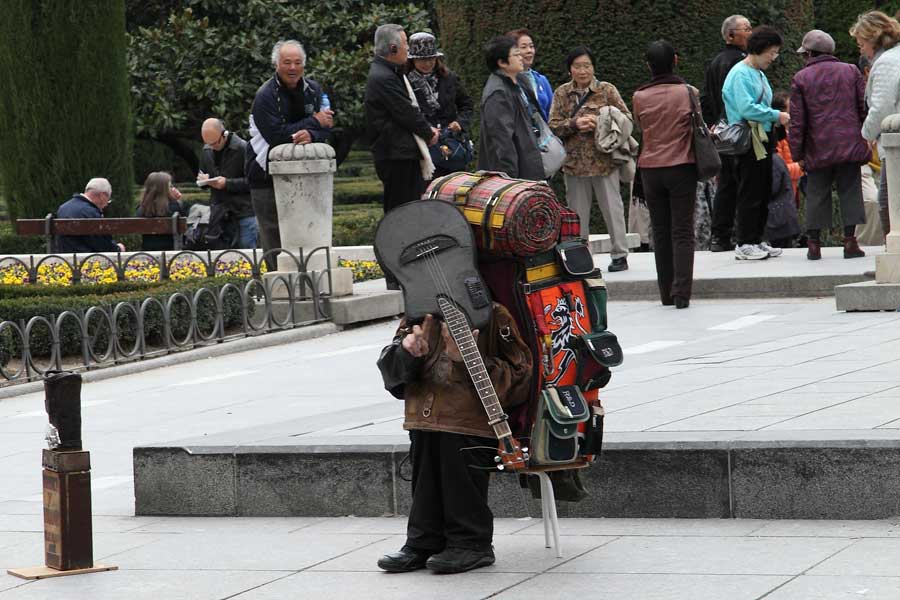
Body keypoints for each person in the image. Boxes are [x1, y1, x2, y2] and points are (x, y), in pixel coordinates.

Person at [375, 307, 532, 574]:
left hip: (474, 424)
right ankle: (423, 542)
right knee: (425, 478)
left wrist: (466, 359)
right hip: (423, 418)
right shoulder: (418, 315)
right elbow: (393, 378)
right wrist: (407, 353)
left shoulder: (493, 314)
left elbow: (521, 380)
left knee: (458, 468)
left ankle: (471, 543)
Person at [246, 39, 333, 269]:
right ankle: (278, 283)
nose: (293, 68)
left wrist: (311, 134)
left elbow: (327, 127)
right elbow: (276, 135)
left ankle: (309, 279)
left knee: (307, 231)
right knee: (273, 235)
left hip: (306, 174)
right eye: (287, 62)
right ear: (276, 64)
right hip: (265, 174)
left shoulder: (313, 90)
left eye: (297, 62)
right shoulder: (265, 95)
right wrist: (313, 122)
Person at [548, 46, 632, 272]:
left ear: (593, 67)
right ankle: (580, 257)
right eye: (577, 66)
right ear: (570, 70)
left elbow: (626, 118)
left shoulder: (606, 90)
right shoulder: (561, 93)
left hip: (604, 162)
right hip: (574, 164)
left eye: (587, 65)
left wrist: (601, 123)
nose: (583, 71)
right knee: (577, 214)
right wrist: (574, 124)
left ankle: (620, 254)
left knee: (613, 210)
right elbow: (553, 126)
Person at [789, 29, 870, 260]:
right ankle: (850, 242)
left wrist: (797, 153)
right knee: (851, 190)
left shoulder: (801, 78)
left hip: (817, 147)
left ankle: (814, 245)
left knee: (816, 192)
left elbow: (798, 121)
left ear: (810, 53)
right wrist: (865, 137)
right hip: (849, 143)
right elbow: (862, 107)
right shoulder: (851, 70)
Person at [632, 41, 698, 308]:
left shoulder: (639, 96)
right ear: (676, 61)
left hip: (650, 169)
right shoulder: (688, 92)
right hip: (681, 165)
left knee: (660, 231)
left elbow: (640, 126)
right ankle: (681, 292)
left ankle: (665, 292)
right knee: (682, 230)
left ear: (648, 65)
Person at [721, 25, 791, 261]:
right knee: (750, 191)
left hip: (762, 137)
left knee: (762, 189)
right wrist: (776, 115)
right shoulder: (740, 74)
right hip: (749, 139)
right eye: (772, 52)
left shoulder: (757, 72)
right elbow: (746, 108)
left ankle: (757, 238)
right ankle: (744, 242)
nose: (774, 57)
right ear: (759, 49)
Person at [365, 24, 439, 214]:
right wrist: (428, 132)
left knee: (408, 209)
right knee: (401, 210)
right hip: (395, 154)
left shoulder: (389, 71)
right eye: (405, 43)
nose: (408, 48)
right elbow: (405, 111)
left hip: (400, 152)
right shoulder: (384, 76)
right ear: (393, 48)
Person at [701, 14, 752, 252]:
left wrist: (714, 125)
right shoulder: (742, 63)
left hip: (722, 132)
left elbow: (705, 98)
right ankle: (746, 236)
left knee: (727, 183)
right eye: (746, 29)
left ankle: (720, 236)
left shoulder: (715, 61)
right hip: (740, 130)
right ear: (731, 35)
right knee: (745, 183)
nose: (751, 33)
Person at [851, 10, 900, 238]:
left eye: (861, 43)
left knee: (888, 205)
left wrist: (865, 135)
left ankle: (893, 255)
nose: (860, 49)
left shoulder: (886, 63)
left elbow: (881, 108)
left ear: (873, 38)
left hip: (894, 144)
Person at [405, 32, 474, 179]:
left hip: (451, 145)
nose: (427, 63)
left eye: (431, 59)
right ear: (413, 60)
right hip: (423, 148)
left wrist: (460, 123)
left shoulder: (450, 78)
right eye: (421, 59)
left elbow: (466, 104)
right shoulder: (404, 83)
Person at [476, 36, 544, 181]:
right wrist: (510, 178)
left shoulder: (520, 81)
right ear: (502, 62)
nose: (521, 57)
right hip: (515, 173)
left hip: (529, 161)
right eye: (516, 54)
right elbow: (502, 140)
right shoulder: (497, 93)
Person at [198, 118, 257, 250]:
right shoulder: (206, 150)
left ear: (224, 134)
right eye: (208, 143)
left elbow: (252, 181)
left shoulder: (243, 148)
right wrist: (204, 181)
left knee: (246, 252)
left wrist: (227, 183)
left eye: (215, 143)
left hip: (243, 212)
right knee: (222, 255)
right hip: (219, 213)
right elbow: (202, 175)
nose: (212, 147)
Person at [54, 178, 125, 254]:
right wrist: (118, 248)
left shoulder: (63, 207)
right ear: (102, 196)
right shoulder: (90, 213)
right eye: (108, 199)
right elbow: (103, 245)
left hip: (63, 258)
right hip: (86, 259)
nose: (107, 204)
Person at [506, 29, 553, 120]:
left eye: (531, 46)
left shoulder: (541, 80)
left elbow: (552, 113)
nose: (529, 51)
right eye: (523, 47)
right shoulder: (506, 81)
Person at [136, 172, 184, 252]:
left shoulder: (142, 209)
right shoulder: (174, 207)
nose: (172, 189)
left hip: (148, 250)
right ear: (165, 189)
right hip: (170, 250)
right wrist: (177, 200)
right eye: (170, 186)